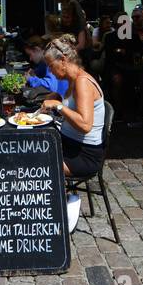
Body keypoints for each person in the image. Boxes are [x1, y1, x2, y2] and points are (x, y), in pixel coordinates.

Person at [38, 37, 106, 233]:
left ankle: (62, 207)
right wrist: (59, 98)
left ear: (64, 60)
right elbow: (73, 106)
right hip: (70, 145)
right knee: (32, 151)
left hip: (84, 154)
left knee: (39, 164)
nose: (50, 71)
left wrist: (59, 106)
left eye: (51, 66)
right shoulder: (72, 80)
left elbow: (85, 124)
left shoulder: (83, 82)